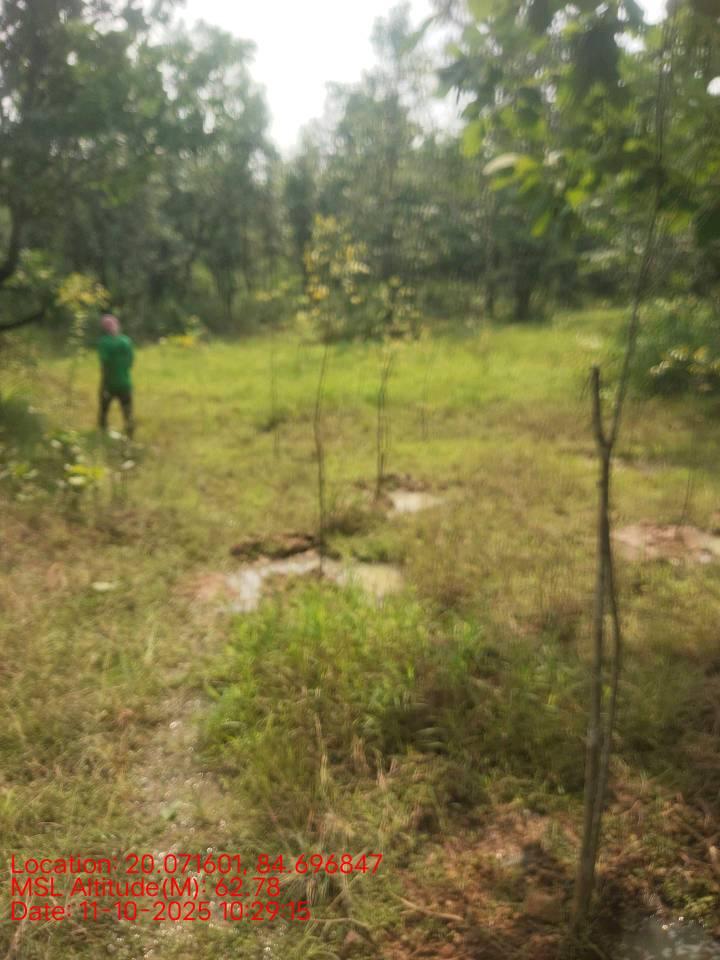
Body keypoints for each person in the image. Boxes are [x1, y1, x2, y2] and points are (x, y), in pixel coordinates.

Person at [97, 314, 135, 438]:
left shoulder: (104, 342)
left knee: (104, 409)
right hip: (125, 382)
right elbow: (130, 362)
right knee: (127, 410)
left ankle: (103, 431)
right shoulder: (126, 341)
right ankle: (129, 433)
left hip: (109, 383)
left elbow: (104, 363)